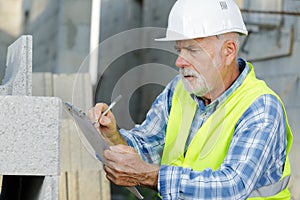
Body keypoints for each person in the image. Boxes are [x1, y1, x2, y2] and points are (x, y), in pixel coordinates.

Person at [88, 0, 293, 199]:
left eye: (192, 50)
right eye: (179, 50)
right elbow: (147, 147)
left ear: (228, 51)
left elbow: (231, 187)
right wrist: (113, 136)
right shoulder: (178, 90)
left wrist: (150, 176)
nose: (179, 61)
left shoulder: (260, 107)